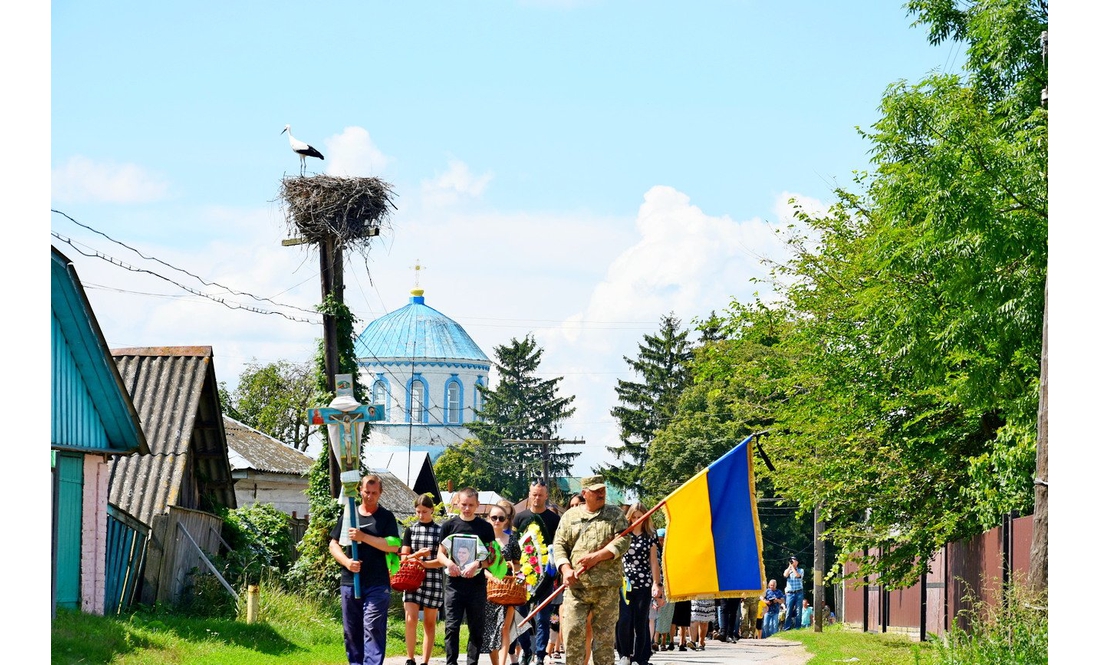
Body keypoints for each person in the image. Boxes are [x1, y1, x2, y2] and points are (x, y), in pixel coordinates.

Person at [554, 475, 631, 665]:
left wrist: (598, 556)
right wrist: (565, 569)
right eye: (596, 491)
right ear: (584, 493)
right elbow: (559, 545)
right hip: (576, 587)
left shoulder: (615, 514)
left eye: (603, 490)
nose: (601, 494)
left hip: (606, 588)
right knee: (572, 634)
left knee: (604, 639)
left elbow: (623, 540)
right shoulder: (570, 516)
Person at [329, 474, 401, 665]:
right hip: (350, 581)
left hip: (377, 584)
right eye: (366, 492)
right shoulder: (349, 514)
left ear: (380, 493)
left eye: (374, 493)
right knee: (351, 631)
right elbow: (333, 544)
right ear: (360, 490)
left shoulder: (386, 517)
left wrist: (363, 536)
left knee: (372, 627)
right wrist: (346, 562)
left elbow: (393, 546)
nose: (369, 496)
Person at [437, 487, 497, 665]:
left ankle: (472, 662)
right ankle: (451, 662)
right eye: (463, 504)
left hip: (476, 585)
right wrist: (449, 563)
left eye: (471, 505)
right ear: (457, 503)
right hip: (453, 584)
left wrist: (477, 564)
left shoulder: (485, 528)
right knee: (452, 627)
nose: (467, 508)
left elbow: (492, 558)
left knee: (476, 628)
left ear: (478, 505)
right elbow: (440, 554)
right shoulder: (449, 525)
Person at [513, 480, 562, 665]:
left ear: (546, 496)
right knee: (521, 614)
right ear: (529, 493)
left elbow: (558, 546)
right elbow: (514, 547)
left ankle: (540, 655)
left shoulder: (554, 519)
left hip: (547, 575)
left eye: (540, 494)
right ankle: (526, 649)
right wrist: (516, 570)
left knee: (543, 616)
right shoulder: (520, 517)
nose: (537, 498)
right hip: (523, 574)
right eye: (534, 494)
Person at [400, 494, 446, 665]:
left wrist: (425, 564)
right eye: (418, 512)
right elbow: (404, 559)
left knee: (429, 622)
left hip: (432, 578)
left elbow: (442, 560)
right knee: (410, 618)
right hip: (411, 578)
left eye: (424, 512)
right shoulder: (410, 530)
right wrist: (418, 555)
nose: (421, 515)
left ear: (432, 510)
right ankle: (410, 658)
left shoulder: (441, 530)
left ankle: (425, 661)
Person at [615, 503, 661, 665]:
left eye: (639, 517)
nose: (636, 520)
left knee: (641, 621)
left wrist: (657, 583)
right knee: (624, 619)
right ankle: (624, 654)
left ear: (645, 517)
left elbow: (654, 562)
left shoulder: (651, 535)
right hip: (624, 583)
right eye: (633, 517)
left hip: (644, 583)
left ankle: (640, 657)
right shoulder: (623, 534)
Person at [485, 502, 521, 665]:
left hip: (508, 588)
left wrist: (514, 572)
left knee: (504, 628)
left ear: (507, 520)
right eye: (494, 518)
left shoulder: (512, 540)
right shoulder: (484, 540)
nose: (497, 521)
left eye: (501, 518)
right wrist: (491, 576)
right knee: (491, 629)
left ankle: (503, 662)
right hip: (489, 588)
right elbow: (480, 565)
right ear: (488, 518)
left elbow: (518, 564)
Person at [782, 556, 804, 631]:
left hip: (799, 593)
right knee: (788, 611)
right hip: (790, 594)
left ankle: (798, 627)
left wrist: (793, 568)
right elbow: (785, 575)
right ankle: (787, 627)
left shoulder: (801, 570)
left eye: (793, 560)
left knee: (798, 611)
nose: (792, 562)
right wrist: (790, 567)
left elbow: (797, 575)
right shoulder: (788, 570)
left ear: (797, 562)